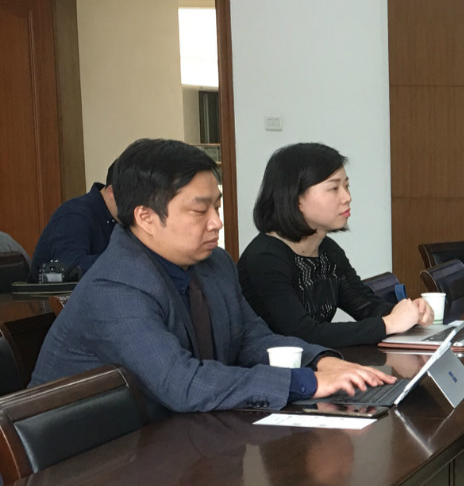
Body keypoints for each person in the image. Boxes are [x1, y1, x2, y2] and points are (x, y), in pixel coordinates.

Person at [30, 138, 394, 420]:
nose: (217, 223)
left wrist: (320, 362)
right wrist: (305, 382)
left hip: (174, 436)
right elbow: (183, 383)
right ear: (145, 218)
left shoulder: (214, 263)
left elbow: (251, 338)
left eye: (217, 206)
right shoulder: (116, 287)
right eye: (199, 210)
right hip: (80, 464)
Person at [238, 143, 432, 348]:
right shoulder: (265, 259)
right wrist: (389, 324)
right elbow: (302, 335)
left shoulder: (327, 251)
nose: (347, 197)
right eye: (334, 188)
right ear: (296, 199)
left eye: (346, 186)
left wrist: (410, 313)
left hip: (319, 362)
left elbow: (366, 306)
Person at [29, 162, 121, 280]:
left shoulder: (118, 218)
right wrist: (127, 263)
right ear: (112, 192)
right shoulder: (73, 214)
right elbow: (71, 267)